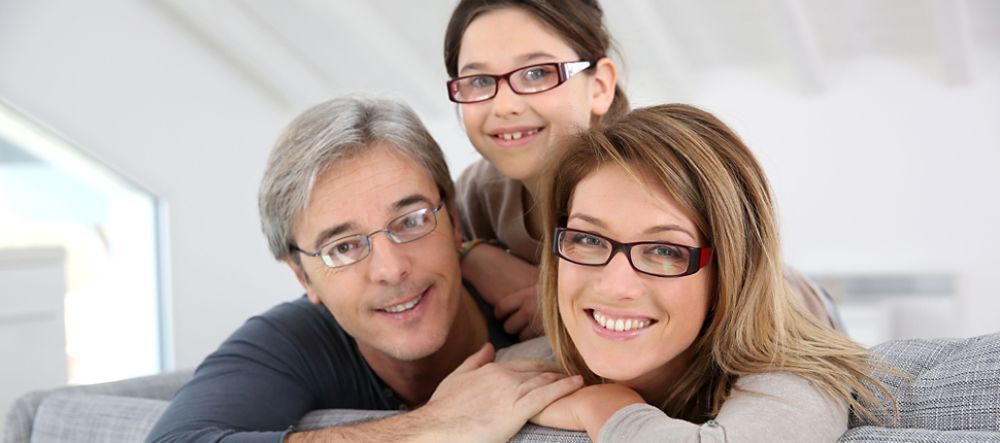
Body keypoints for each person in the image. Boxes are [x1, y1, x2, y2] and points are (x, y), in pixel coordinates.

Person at [146, 96, 583, 442]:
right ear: (302, 277)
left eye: (411, 221)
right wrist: (433, 427)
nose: (391, 270)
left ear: (452, 221)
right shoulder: (294, 340)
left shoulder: (541, 287)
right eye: (343, 247)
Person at [442, 0, 838, 340]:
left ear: (599, 86)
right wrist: (474, 255)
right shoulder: (482, 190)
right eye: (478, 80)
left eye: (536, 73)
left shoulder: (652, 175)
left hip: (792, 314)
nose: (504, 105)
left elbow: (744, 303)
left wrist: (557, 303)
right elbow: (423, 246)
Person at [523, 104, 896, 441]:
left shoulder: (796, 372)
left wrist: (607, 407)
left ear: (727, 275)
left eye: (665, 251)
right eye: (588, 240)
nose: (615, 285)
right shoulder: (523, 366)